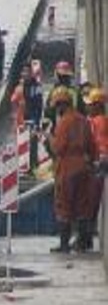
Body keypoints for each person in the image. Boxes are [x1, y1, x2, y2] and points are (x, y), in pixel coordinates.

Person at [46, 87, 96, 253]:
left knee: (64, 206)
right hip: (84, 167)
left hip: (67, 168)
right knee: (82, 206)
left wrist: (48, 137)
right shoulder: (83, 120)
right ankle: (82, 243)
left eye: (57, 106)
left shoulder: (64, 122)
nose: (56, 110)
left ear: (61, 105)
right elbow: (92, 147)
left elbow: (58, 149)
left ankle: (64, 244)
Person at [82, 87, 108, 250]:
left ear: (98, 106)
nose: (87, 107)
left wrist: (98, 162)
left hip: (97, 166)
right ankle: (86, 238)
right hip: (99, 165)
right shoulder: (101, 120)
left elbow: (101, 145)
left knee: (89, 205)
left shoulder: (98, 122)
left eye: (90, 104)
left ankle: (86, 240)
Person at [10, 62, 44, 171]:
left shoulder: (36, 87)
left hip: (31, 120)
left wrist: (35, 122)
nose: (24, 74)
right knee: (22, 146)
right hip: (21, 121)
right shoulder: (20, 87)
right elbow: (13, 101)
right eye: (23, 72)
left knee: (32, 144)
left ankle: (32, 167)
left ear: (31, 73)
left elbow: (39, 105)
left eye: (27, 72)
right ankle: (24, 168)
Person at [44, 60, 83, 130]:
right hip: (73, 128)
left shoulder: (54, 92)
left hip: (63, 128)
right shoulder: (75, 92)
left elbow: (48, 113)